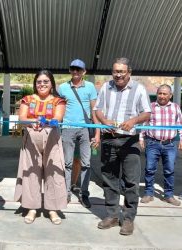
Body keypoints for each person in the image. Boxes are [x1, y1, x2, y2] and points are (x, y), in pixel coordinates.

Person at [94, 57, 151, 236]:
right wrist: (105, 121)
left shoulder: (139, 89)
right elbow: (97, 110)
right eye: (115, 71)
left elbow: (147, 113)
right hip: (109, 139)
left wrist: (133, 120)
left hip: (130, 141)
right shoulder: (105, 87)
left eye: (121, 71)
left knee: (131, 182)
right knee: (109, 179)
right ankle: (111, 215)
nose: (118, 75)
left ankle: (128, 219)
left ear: (129, 72)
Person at [14, 70, 67, 225]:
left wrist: (47, 121)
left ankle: (53, 209)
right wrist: (31, 122)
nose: (42, 84)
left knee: (53, 172)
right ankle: (32, 208)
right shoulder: (27, 99)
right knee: (31, 172)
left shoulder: (59, 101)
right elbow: (22, 118)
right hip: (31, 137)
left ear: (51, 84)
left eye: (45, 81)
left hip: (52, 138)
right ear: (35, 84)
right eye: (39, 82)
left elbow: (58, 117)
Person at [58, 59, 100, 208]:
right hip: (67, 129)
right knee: (67, 163)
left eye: (78, 69)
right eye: (73, 69)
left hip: (85, 129)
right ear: (70, 70)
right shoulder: (62, 88)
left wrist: (97, 134)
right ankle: (66, 193)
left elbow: (95, 111)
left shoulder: (90, 87)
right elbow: (58, 110)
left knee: (86, 163)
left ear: (84, 72)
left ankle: (84, 193)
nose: (75, 72)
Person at [139, 84, 182, 206]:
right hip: (152, 143)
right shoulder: (150, 107)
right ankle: (149, 193)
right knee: (149, 169)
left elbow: (181, 125)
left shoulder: (175, 107)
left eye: (165, 94)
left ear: (170, 95)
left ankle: (168, 195)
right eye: (160, 93)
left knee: (169, 170)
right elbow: (145, 123)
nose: (162, 96)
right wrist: (141, 138)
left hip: (170, 144)